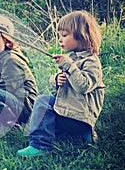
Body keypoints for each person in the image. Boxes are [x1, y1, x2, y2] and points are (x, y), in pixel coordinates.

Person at [17, 10, 106, 157]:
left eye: (64, 35)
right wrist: (56, 79)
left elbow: (83, 86)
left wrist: (69, 65)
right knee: (47, 112)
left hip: (79, 117)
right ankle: (83, 135)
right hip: (68, 113)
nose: (60, 39)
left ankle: (40, 145)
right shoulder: (72, 58)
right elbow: (63, 83)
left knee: (43, 101)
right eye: (59, 35)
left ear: (83, 37)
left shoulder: (91, 62)